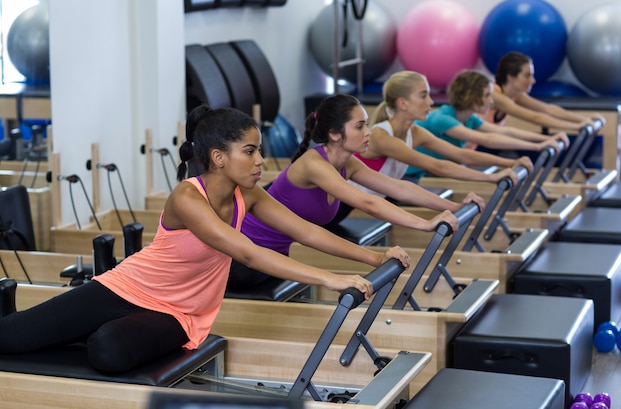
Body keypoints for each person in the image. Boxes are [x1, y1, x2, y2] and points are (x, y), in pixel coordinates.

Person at [0, 105, 412, 373]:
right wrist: (329, 279)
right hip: (125, 289)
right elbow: (247, 252)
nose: (260, 161)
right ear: (218, 158)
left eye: (259, 151)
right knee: (12, 337)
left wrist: (373, 259)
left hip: (181, 314)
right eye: (249, 152)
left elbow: (304, 230)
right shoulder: (186, 197)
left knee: (108, 350)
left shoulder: (246, 193)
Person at [228, 93, 476, 289]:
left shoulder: (347, 163)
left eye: (366, 125)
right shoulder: (313, 164)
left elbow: (399, 188)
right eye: (359, 126)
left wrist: (454, 208)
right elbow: (368, 203)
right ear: (335, 134)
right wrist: (424, 224)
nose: (368, 132)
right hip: (244, 260)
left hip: (276, 256)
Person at [404, 70, 566, 182]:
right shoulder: (443, 119)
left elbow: (504, 131)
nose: (491, 101)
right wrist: (535, 148)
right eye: (487, 95)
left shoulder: (469, 118)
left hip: (423, 173)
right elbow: (484, 142)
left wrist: (546, 139)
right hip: (405, 174)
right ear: (472, 97)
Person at [481, 51, 605, 130]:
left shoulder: (515, 95)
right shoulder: (493, 95)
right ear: (511, 77)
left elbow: (548, 109)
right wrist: (576, 127)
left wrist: (584, 119)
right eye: (527, 75)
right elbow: (535, 118)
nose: (533, 81)